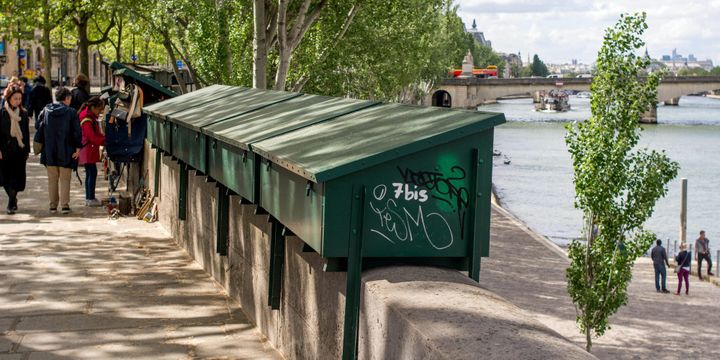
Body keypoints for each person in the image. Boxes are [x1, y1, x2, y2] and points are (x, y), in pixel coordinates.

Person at [38, 87, 81, 214]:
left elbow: (38, 126)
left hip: (49, 150)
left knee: (52, 179)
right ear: (67, 98)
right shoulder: (71, 112)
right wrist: (78, 148)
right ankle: (65, 205)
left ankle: (52, 205)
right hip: (67, 150)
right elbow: (77, 132)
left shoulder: (46, 110)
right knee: (65, 179)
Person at [0, 85, 30, 214]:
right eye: (15, 98)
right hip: (5, 149)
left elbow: (26, 133)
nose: (17, 101)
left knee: (18, 178)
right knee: (5, 177)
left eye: (19, 98)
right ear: (9, 98)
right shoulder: (2, 113)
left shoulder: (23, 113)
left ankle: (12, 200)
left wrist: (27, 150)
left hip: (19, 149)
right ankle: (12, 201)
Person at [78, 97, 105, 206]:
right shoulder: (87, 119)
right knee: (91, 172)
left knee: (90, 172)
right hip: (88, 149)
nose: (99, 113)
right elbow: (92, 137)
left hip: (88, 149)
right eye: (99, 110)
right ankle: (90, 198)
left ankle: (89, 197)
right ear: (93, 108)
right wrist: (105, 140)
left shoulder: (89, 116)